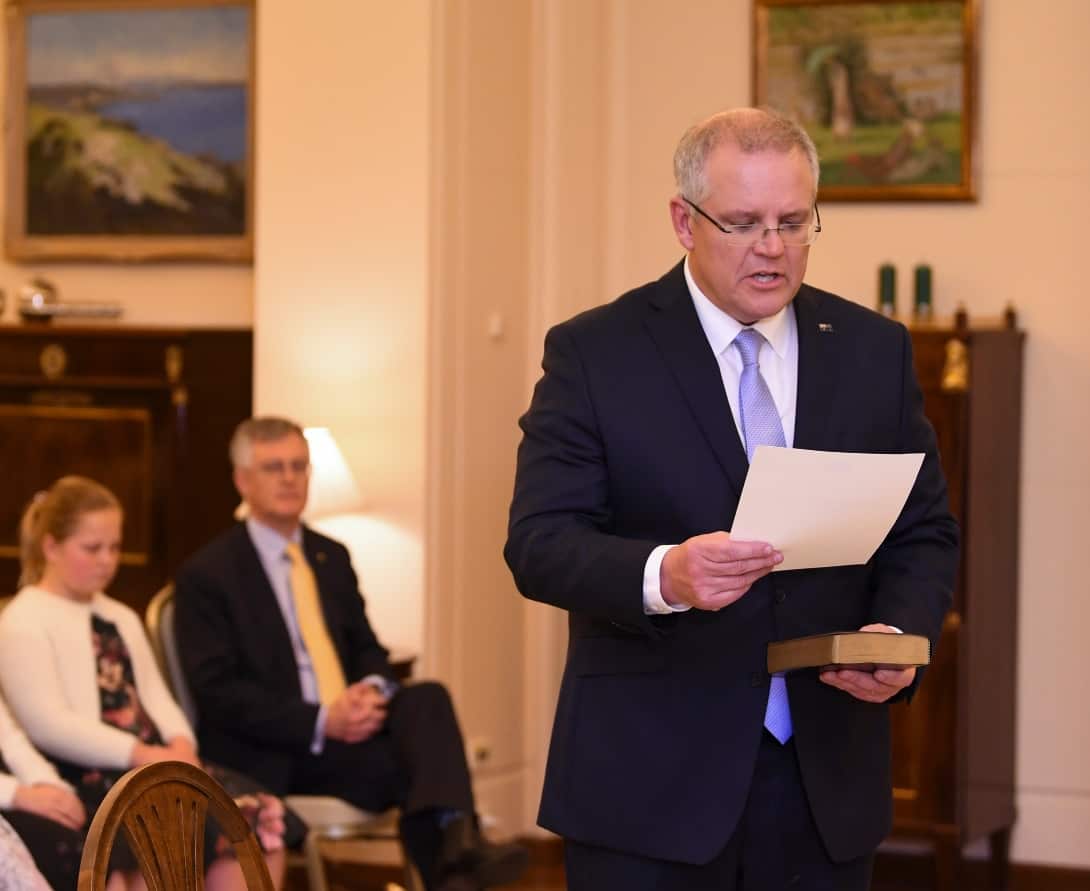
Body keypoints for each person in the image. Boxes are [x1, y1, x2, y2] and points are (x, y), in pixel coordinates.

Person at [504, 107, 959, 891]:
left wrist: (895, 634)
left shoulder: (872, 352)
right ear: (684, 220)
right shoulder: (595, 352)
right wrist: (666, 575)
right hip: (647, 787)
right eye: (745, 222)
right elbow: (539, 541)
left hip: (824, 784)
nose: (774, 247)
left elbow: (923, 532)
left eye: (794, 220)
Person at [172, 416, 528, 891]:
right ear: (242, 480)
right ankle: (455, 862)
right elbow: (219, 693)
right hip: (279, 749)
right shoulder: (208, 574)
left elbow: (366, 647)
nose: (289, 478)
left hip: (349, 734)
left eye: (299, 466)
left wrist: (370, 690)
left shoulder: (330, 556)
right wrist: (323, 720)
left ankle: (456, 852)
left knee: (426, 699)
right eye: (274, 467)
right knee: (418, 769)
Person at [0, 476, 290, 891]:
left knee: (254, 821)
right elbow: (47, 724)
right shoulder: (23, 620)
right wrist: (144, 755)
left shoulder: (121, 616)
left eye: (115, 548)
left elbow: (156, 696)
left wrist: (181, 745)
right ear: (50, 547)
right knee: (144, 833)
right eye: (92, 549)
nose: (107, 561)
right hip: (93, 767)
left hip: (153, 759)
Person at [0, 697, 84, 889]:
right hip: (7, 802)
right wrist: (18, 795)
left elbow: (12, 741)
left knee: (115, 832)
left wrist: (51, 787)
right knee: (71, 850)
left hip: (22, 788)